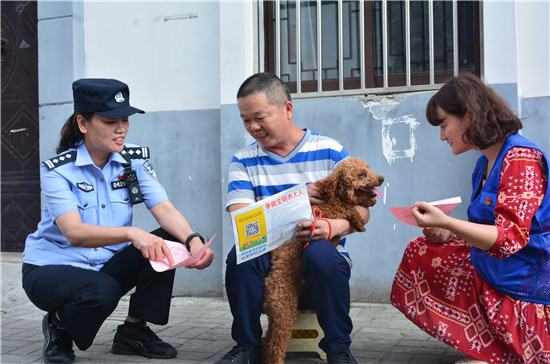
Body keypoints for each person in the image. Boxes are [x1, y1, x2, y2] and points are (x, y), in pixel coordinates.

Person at [22, 78, 214, 364]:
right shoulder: (58, 171)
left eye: (124, 119)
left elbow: (163, 209)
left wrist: (193, 242)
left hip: (103, 267)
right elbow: (74, 233)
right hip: (52, 269)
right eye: (110, 121)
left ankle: (133, 331)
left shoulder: (132, 161)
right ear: (83, 124)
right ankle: (59, 324)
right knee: (102, 291)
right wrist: (131, 233)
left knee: (169, 239)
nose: (121, 128)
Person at [391, 73, 550, 364]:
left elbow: (509, 240)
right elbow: (485, 230)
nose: (442, 136)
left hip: (524, 275)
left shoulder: (521, 160)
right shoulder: (484, 163)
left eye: (443, 124)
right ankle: (490, 345)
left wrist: (449, 222)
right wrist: (448, 233)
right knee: (421, 250)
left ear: (468, 116)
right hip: (497, 264)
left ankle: (512, 349)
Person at [216, 73, 370, 364]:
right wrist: (298, 197)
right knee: (241, 256)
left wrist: (334, 226)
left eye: (259, 117)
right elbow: (241, 218)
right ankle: (247, 346)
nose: (253, 127)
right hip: (270, 266)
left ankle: (338, 348)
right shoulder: (244, 160)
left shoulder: (329, 151)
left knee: (323, 255)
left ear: (287, 109)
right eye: (245, 120)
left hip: (319, 263)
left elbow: (363, 210)